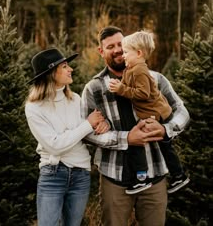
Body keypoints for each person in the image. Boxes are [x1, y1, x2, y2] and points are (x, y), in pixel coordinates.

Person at [81, 26, 190, 226]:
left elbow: (181, 111)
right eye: (110, 46)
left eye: (121, 44)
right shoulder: (94, 88)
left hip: (154, 175)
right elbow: (86, 133)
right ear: (101, 51)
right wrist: (125, 139)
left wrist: (166, 129)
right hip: (115, 178)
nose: (118, 50)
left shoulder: (156, 79)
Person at [25, 48, 109, 226]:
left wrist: (100, 125)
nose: (71, 69)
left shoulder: (76, 99)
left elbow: (86, 134)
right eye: (64, 66)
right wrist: (87, 124)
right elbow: (54, 146)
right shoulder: (34, 108)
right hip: (53, 175)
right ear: (51, 73)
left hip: (80, 175)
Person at [109, 30, 190, 194]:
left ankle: (151, 178)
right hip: (152, 113)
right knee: (150, 143)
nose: (122, 55)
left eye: (125, 52)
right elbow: (125, 86)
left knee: (147, 143)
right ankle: (171, 176)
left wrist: (121, 89)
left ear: (138, 53)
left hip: (158, 114)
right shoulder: (131, 69)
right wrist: (118, 87)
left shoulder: (140, 71)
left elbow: (143, 93)